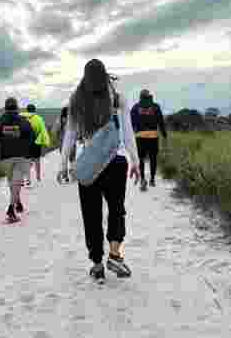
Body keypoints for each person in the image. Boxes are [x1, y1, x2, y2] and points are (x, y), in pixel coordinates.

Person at [61, 59, 140, 280]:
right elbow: (127, 133)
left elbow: (69, 133)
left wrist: (63, 164)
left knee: (91, 214)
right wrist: (135, 160)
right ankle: (114, 254)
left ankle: (97, 263)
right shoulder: (118, 98)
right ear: (106, 75)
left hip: (88, 164)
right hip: (115, 161)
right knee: (117, 209)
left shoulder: (76, 99)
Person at [0, 96, 36, 223]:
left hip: (5, 157)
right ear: (17, 107)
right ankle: (11, 209)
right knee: (17, 181)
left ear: (5, 108)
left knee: (12, 182)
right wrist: (30, 154)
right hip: (21, 156)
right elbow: (31, 137)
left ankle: (17, 202)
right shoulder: (23, 121)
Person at [130, 88, 167, 190]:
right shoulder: (155, 107)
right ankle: (152, 179)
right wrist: (164, 135)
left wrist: (133, 133)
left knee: (140, 159)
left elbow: (131, 124)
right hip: (153, 136)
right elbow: (161, 122)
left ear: (140, 96)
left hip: (140, 137)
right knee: (153, 159)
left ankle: (142, 179)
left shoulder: (135, 107)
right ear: (149, 96)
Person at [20, 103, 51, 186]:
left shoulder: (21, 117)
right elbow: (43, 131)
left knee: (26, 160)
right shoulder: (38, 118)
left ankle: (26, 178)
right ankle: (38, 176)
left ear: (27, 110)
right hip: (36, 142)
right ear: (34, 110)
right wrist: (46, 142)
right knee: (37, 160)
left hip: (24, 143)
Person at [52, 106, 72, 183]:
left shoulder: (59, 120)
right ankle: (73, 174)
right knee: (72, 159)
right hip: (72, 143)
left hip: (62, 143)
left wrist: (55, 140)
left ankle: (65, 176)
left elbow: (54, 131)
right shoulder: (72, 120)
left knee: (64, 159)